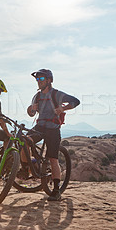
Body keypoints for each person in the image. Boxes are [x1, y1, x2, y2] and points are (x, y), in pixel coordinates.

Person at [23, 68, 80, 201]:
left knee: (53, 158)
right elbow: (30, 113)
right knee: (24, 141)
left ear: (49, 80)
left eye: (41, 79)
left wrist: (63, 108)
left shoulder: (57, 94)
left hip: (53, 128)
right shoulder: (37, 96)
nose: (38, 81)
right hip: (40, 127)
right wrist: (31, 109)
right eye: (37, 79)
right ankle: (26, 168)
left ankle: (56, 190)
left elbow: (75, 101)